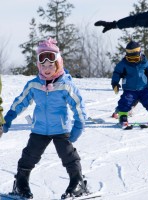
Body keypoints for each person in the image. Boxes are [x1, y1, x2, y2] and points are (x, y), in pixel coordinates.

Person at [2, 38, 88, 199]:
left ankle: (77, 183)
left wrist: (78, 126)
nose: (47, 69)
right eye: (43, 65)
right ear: (38, 66)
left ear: (58, 64)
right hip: (39, 129)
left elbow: (78, 106)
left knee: (68, 156)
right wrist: (8, 119)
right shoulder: (34, 84)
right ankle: (21, 183)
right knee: (29, 156)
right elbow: (19, 103)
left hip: (61, 129)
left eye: (51, 65)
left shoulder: (65, 85)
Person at [111, 40, 148, 129]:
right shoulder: (123, 63)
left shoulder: (145, 62)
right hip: (129, 89)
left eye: (135, 58)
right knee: (125, 102)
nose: (133, 61)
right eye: (130, 58)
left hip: (143, 88)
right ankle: (123, 118)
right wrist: (115, 83)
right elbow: (117, 73)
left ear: (139, 53)